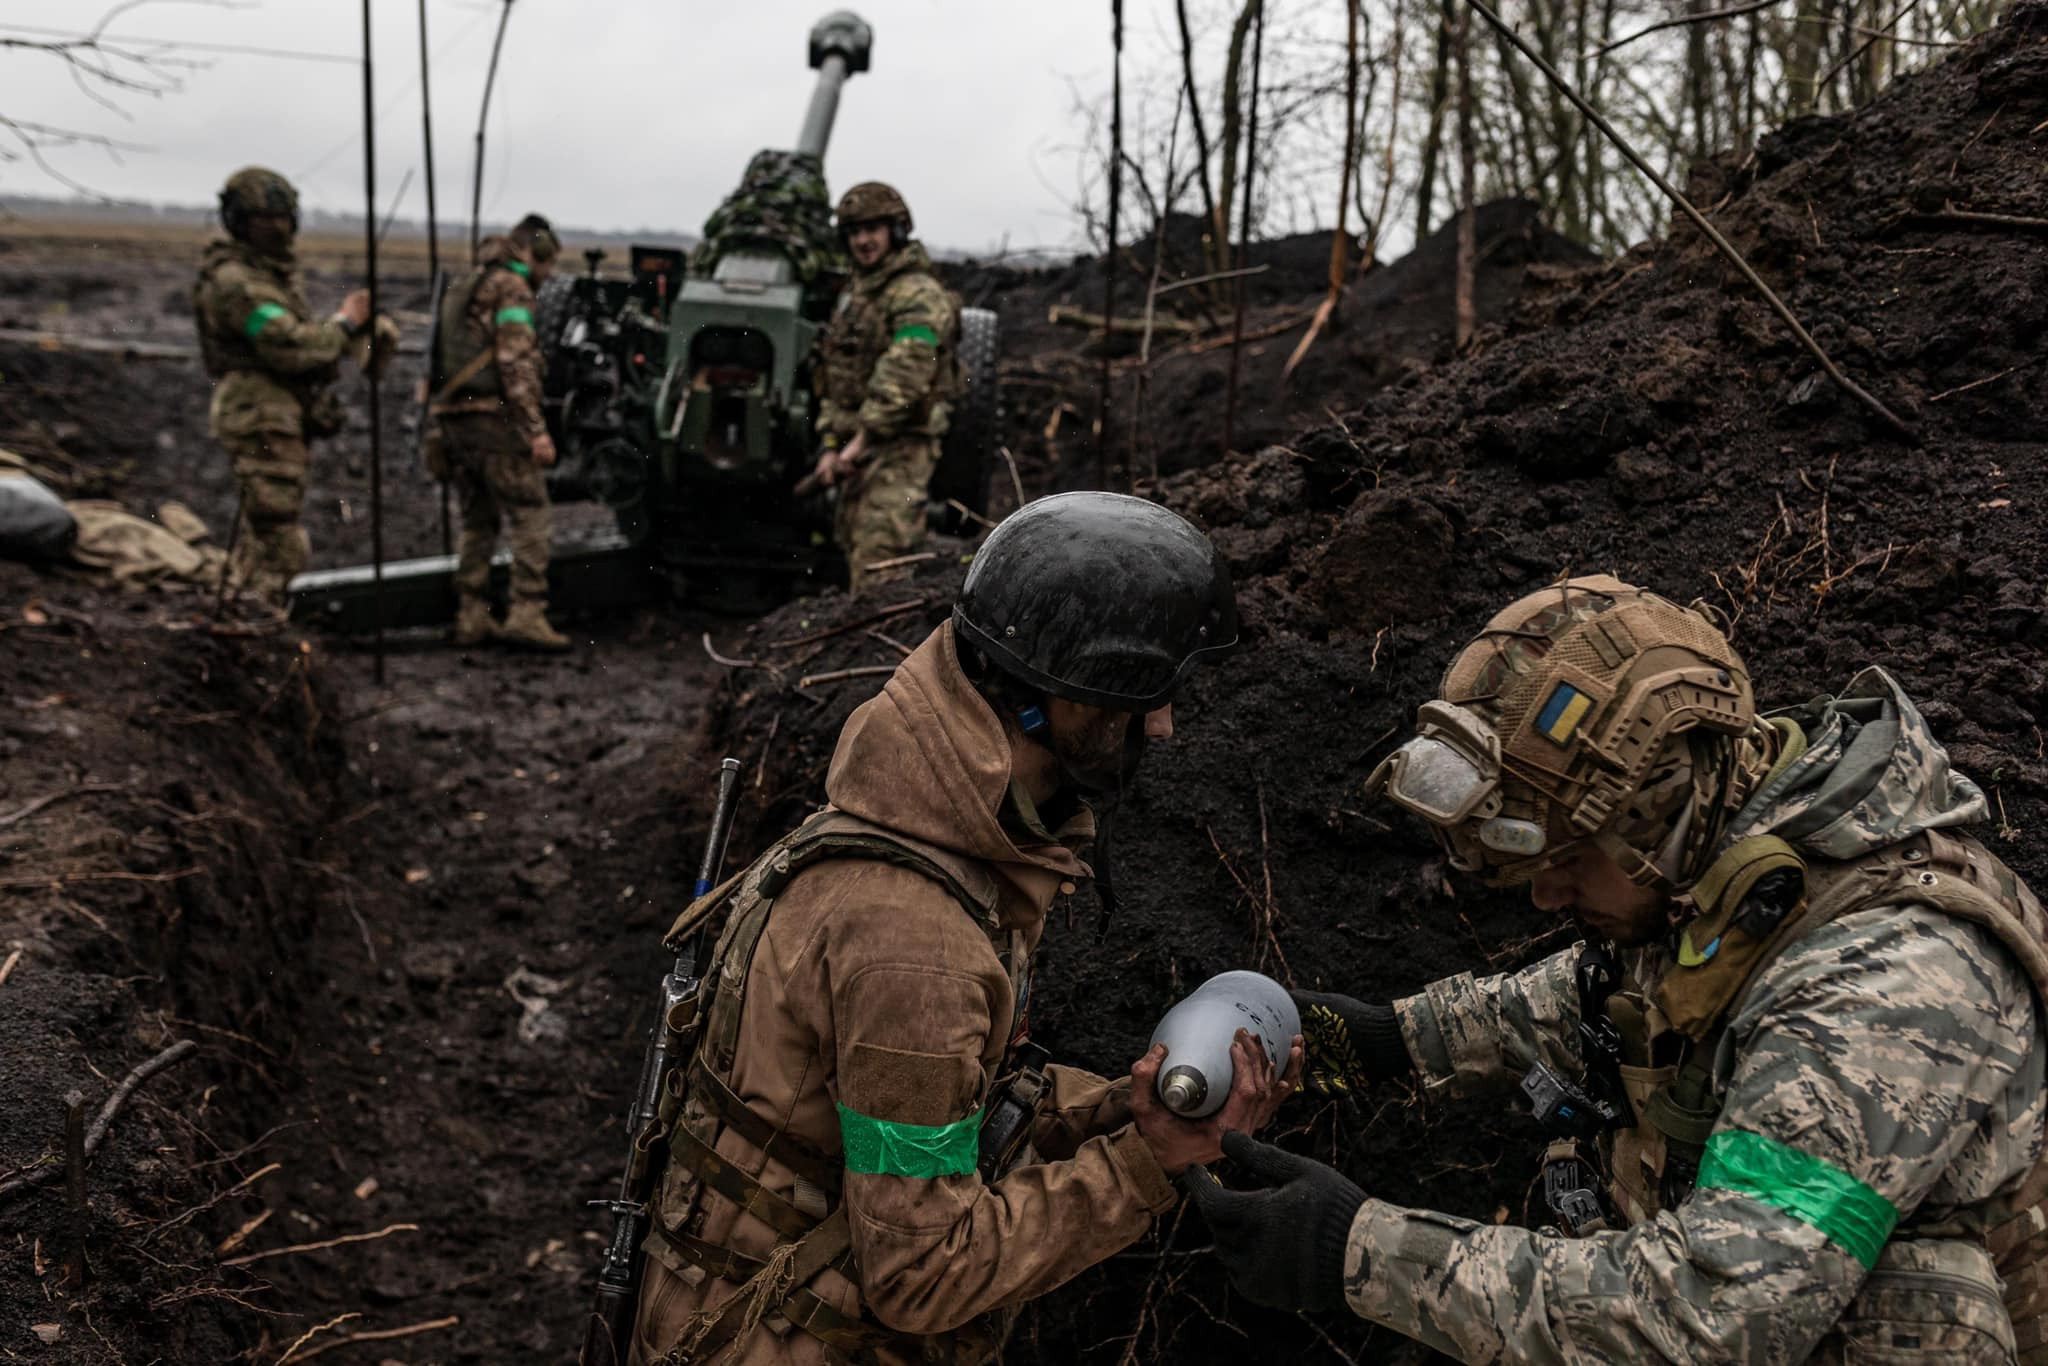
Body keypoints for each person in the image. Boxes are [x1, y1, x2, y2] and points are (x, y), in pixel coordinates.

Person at [1190, 574, 2048, 1363]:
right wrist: (1390, 1040)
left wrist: (1358, 1251)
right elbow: (1631, 991)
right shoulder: (1743, 863)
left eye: (1568, 859)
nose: (1543, 895)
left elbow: (1712, 1315)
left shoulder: (1887, 984)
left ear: (1659, 813)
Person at [627, 492, 1302, 1365]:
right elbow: (921, 1272)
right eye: (1149, 695)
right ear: (1071, 690)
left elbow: (931, 1120)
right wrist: (1145, 1164)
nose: (1165, 725)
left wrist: (1126, 1112)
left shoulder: (912, 822)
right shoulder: (915, 951)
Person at [191, 166, 370, 604]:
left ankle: (247, 618)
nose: (278, 228)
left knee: (264, 539)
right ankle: (258, 628)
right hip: (261, 414)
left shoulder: (264, 275)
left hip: (273, 413)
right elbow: (288, 345)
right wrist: (346, 324)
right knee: (279, 546)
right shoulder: (238, 283)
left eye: (283, 216)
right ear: (238, 220)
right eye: (264, 218)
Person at [806, 182, 959, 595]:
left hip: (900, 448)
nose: (863, 240)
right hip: (855, 450)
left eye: (873, 229)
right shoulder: (856, 296)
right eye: (854, 232)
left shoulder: (918, 295)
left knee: (881, 563)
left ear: (896, 230)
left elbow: (907, 371)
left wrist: (860, 440)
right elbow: (835, 379)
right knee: (855, 551)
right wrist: (830, 444)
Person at [427, 213, 568, 651]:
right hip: (492, 419)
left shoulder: (466, 283)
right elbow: (516, 363)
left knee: (477, 520)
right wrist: (536, 432)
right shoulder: (512, 288)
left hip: (452, 420)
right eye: (548, 265)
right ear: (535, 253)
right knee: (530, 511)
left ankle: (472, 613)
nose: (549, 275)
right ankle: (526, 612)